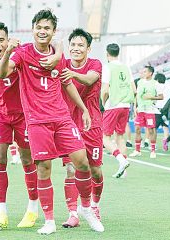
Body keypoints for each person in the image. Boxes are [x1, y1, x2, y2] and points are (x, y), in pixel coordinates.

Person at [0, 9, 104, 235]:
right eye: (39, 27)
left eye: (47, 28)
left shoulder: (59, 55)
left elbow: (67, 83)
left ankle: (86, 208)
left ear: (53, 31)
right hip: (36, 122)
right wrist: (7, 52)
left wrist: (84, 109)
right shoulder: (23, 53)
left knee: (82, 162)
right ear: (32, 29)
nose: (42, 31)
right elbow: (1, 73)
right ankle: (49, 221)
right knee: (44, 169)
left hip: (62, 118)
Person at [0, 22, 40, 229]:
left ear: (8, 40)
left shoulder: (20, 53)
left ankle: (33, 208)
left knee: (26, 159)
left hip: (23, 114)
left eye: (1, 40)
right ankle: (1, 213)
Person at [59, 28, 104, 228]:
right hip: (69, 124)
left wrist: (72, 73)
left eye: (80, 45)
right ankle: (73, 214)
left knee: (95, 170)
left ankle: (94, 205)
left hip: (92, 123)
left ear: (88, 48)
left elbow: (89, 79)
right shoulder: (62, 64)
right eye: (73, 45)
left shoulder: (95, 64)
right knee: (71, 169)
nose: (76, 49)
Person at [102, 43, 135, 177]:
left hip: (113, 105)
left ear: (107, 53)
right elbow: (134, 89)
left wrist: (103, 104)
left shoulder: (107, 67)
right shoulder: (126, 67)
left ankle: (121, 160)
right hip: (126, 105)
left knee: (104, 137)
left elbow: (105, 89)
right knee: (120, 136)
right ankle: (124, 169)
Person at [130, 66, 163, 159]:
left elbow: (161, 96)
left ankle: (152, 150)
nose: (143, 73)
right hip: (140, 110)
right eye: (143, 71)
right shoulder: (139, 82)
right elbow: (137, 96)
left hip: (150, 110)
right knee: (137, 129)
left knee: (151, 130)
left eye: (145, 71)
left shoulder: (155, 84)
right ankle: (137, 150)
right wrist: (135, 107)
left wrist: (151, 98)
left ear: (150, 73)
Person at [153, 73, 170, 151]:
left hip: (157, 108)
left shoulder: (156, 85)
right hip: (166, 108)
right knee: (165, 126)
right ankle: (165, 140)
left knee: (154, 128)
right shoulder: (169, 85)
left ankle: (154, 144)